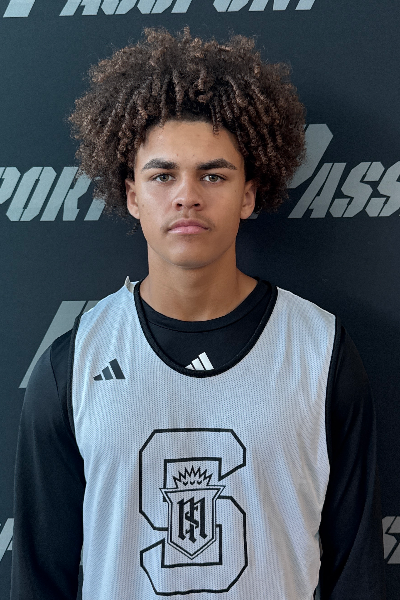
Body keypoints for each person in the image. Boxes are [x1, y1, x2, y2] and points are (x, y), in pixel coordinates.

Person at [11, 27, 386, 600]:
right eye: (163, 175)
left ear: (249, 194)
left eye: (213, 174)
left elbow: (358, 573)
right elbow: (40, 577)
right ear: (132, 195)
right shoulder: (74, 363)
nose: (187, 195)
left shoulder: (321, 350)